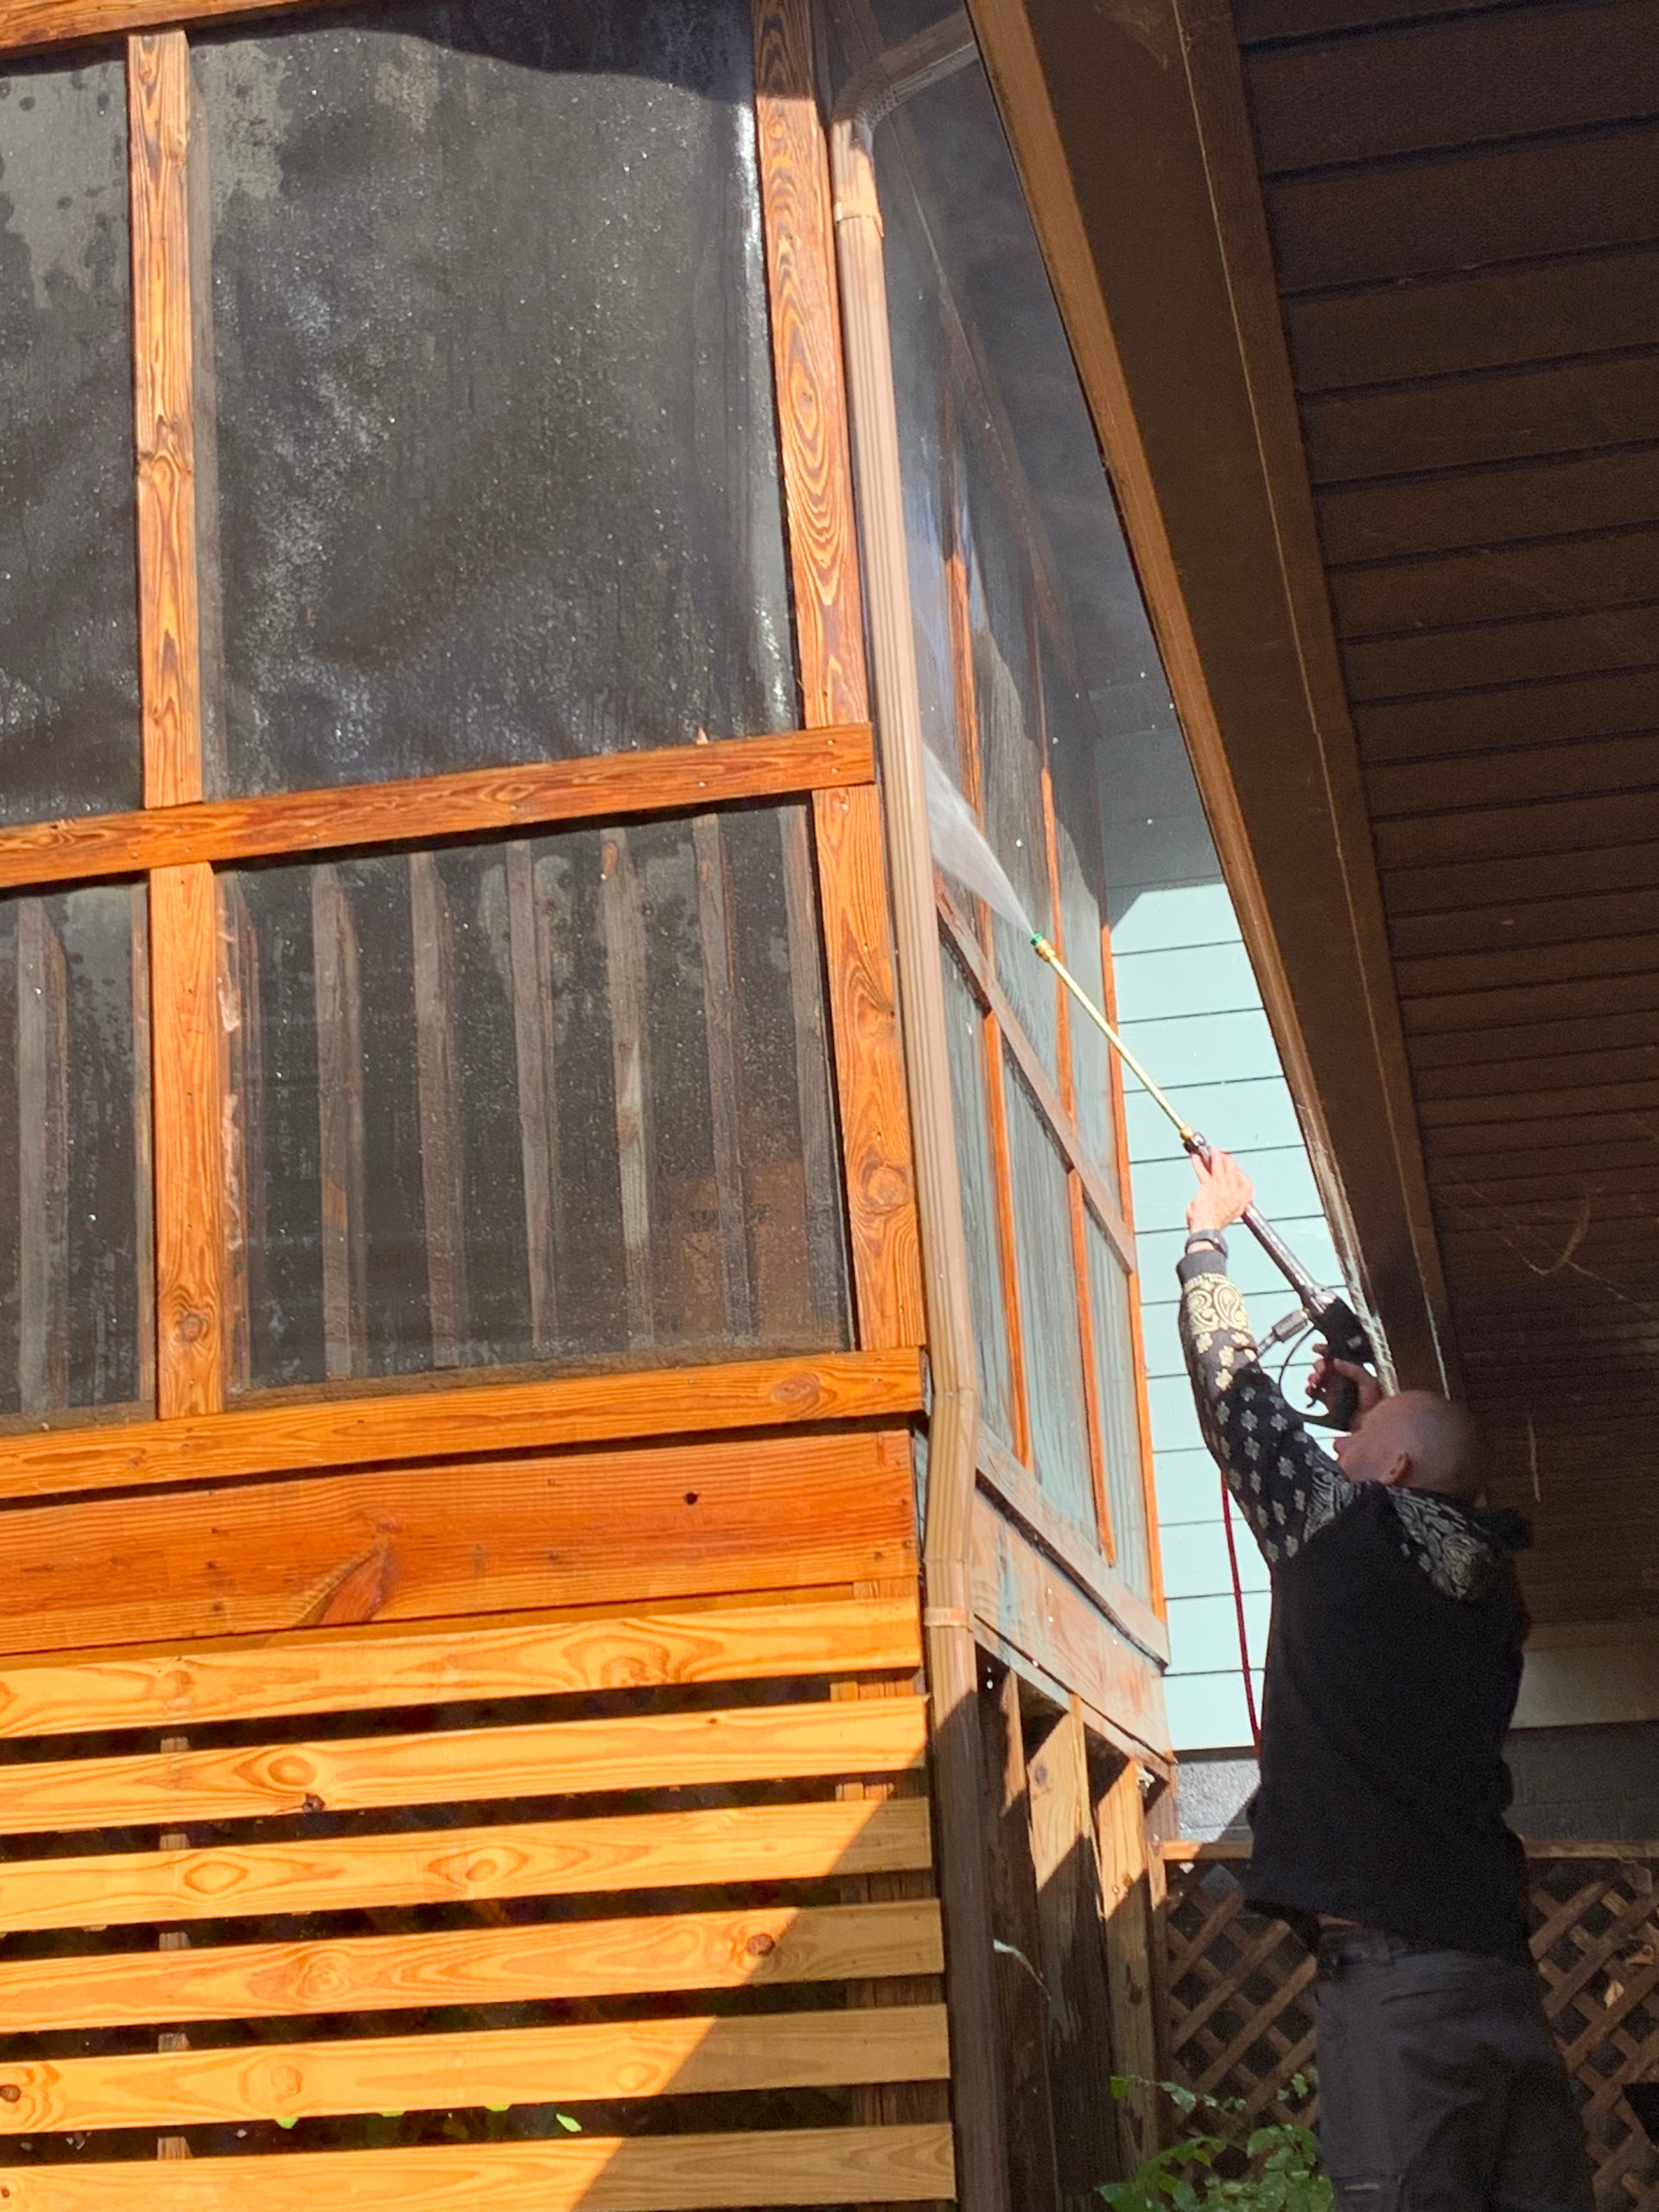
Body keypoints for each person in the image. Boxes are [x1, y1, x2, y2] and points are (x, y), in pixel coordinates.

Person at [1178, 1146, 1593, 2211]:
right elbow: (1412, 1490)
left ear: (1394, 1472)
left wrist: (1207, 1239)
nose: (1342, 1448)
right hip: (1496, 1973)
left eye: (1360, 1439)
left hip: (1398, 1993)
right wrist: (1370, 1400)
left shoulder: (1343, 1533)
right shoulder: (1494, 1590)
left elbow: (1231, 1392)